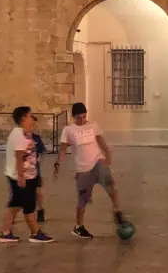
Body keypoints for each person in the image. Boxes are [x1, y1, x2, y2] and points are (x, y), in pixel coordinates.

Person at [54, 102, 127, 239]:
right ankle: (79, 227)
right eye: (78, 118)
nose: (82, 120)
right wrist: (58, 163)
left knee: (111, 186)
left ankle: (117, 211)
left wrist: (108, 155)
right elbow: (63, 149)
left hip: (98, 162)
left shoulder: (93, 125)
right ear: (73, 117)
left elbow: (101, 141)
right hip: (83, 169)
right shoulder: (68, 130)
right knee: (83, 200)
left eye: (83, 116)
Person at [0, 106, 54, 244]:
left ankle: (5, 232)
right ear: (23, 119)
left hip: (24, 176)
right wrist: (22, 177)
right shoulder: (19, 135)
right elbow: (19, 156)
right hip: (22, 178)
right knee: (28, 206)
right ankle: (35, 233)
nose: (31, 118)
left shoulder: (20, 133)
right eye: (29, 116)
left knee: (15, 205)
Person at [31, 117, 47, 223]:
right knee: (17, 194)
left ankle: (40, 211)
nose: (32, 127)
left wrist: (40, 159)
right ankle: (12, 214)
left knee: (38, 192)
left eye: (34, 125)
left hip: (35, 170)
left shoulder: (36, 138)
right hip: (22, 171)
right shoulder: (19, 138)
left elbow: (42, 151)